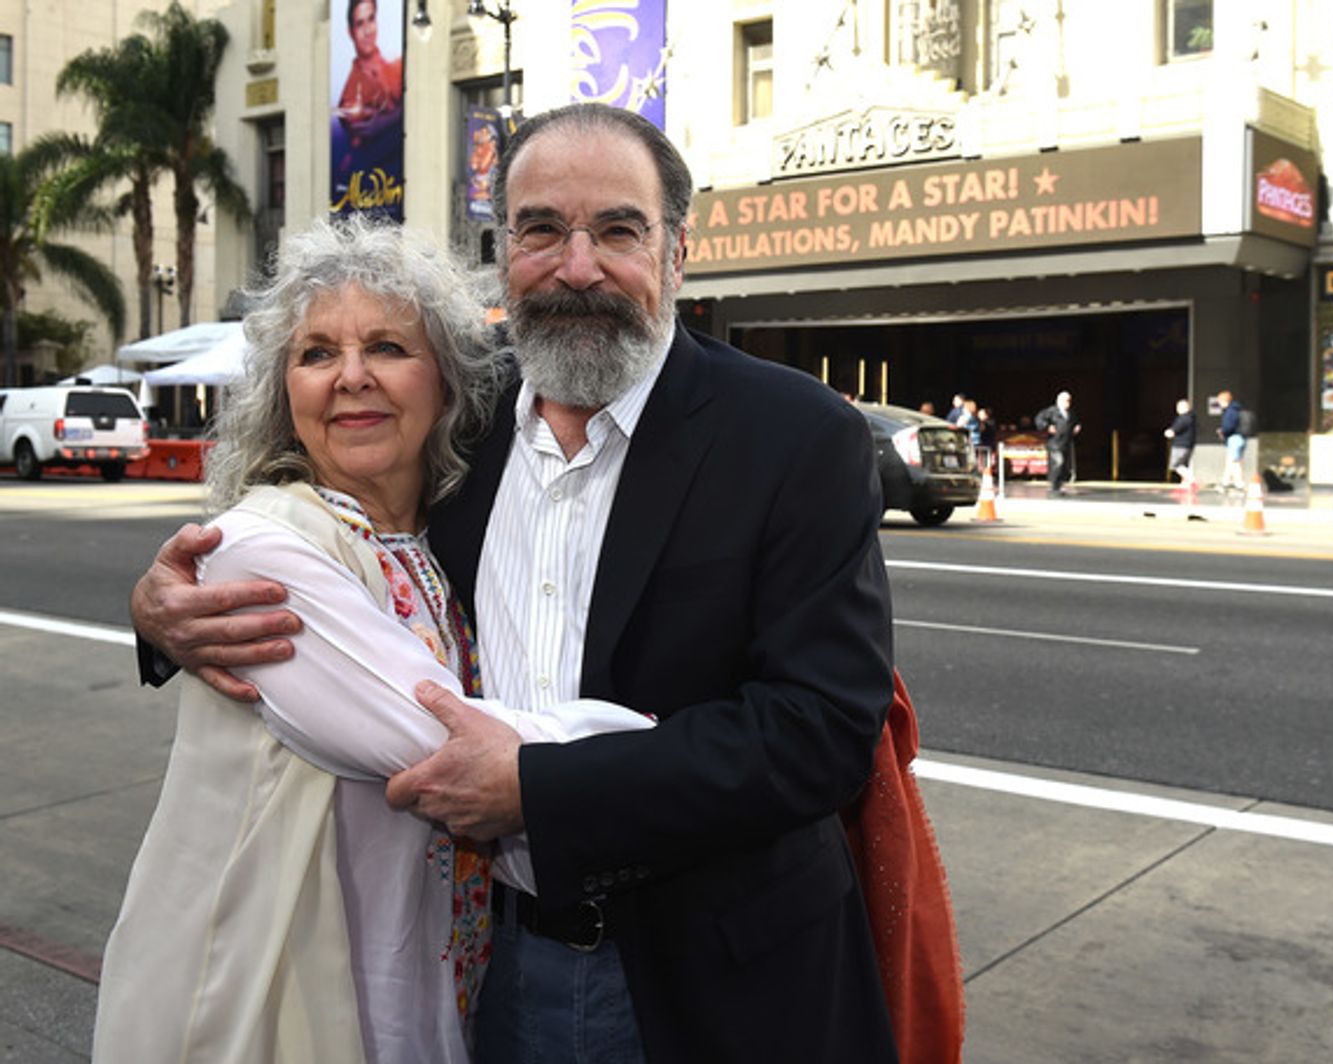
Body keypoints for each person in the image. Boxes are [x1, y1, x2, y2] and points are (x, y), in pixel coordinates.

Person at [129, 104, 905, 1063]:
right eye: (542, 229)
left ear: (676, 252)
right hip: (495, 969)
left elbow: (821, 729)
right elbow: (332, 525)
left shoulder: (793, 434)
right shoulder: (462, 413)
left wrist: (542, 788)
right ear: (504, 250)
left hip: (721, 989)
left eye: (618, 229)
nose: (577, 267)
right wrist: (162, 611)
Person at [97, 218, 650, 1063]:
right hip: (278, 990)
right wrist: (668, 748)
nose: (350, 378)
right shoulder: (262, 545)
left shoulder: (441, 538)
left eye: (388, 347)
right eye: (316, 354)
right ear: (284, 391)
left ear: (449, 383)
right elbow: (439, 746)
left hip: (434, 977)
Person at [336, 0, 403, 145]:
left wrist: (389, 118)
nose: (368, 31)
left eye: (371, 19)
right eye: (360, 24)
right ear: (350, 32)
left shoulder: (397, 64)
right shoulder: (350, 96)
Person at [1035, 389, 1081, 494]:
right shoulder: (1052, 411)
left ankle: (1059, 485)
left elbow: (1076, 422)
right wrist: (1047, 427)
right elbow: (1039, 419)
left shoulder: (1071, 413)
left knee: (1064, 465)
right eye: (1065, 400)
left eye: (1069, 400)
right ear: (1059, 401)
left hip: (1066, 442)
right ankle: (1054, 486)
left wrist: (1077, 427)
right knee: (1058, 462)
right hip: (1055, 443)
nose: (1068, 403)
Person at [1216, 388, 1246, 492]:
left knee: (1234, 461)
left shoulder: (1230, 411)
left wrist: (1222, 431)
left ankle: (1239, 483)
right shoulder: (1236, 409)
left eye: (1219, 402)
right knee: (1230, 461)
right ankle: (1225, 482)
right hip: (1239, 438)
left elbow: (1229, 426)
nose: (1219, 404)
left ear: (1225, 401)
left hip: (1234, 438)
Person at [1164, 397, 1196, 487]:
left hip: (1180, 445)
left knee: (1176, 465)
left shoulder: (1183, 419)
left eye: (1178, 407)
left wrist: (1168, 432)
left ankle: (1191, 479)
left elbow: (1173, 431)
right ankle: (1185, 483)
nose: (1177, 409)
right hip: (1189, 445)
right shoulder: (1192, 418)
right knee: (1184, 464)